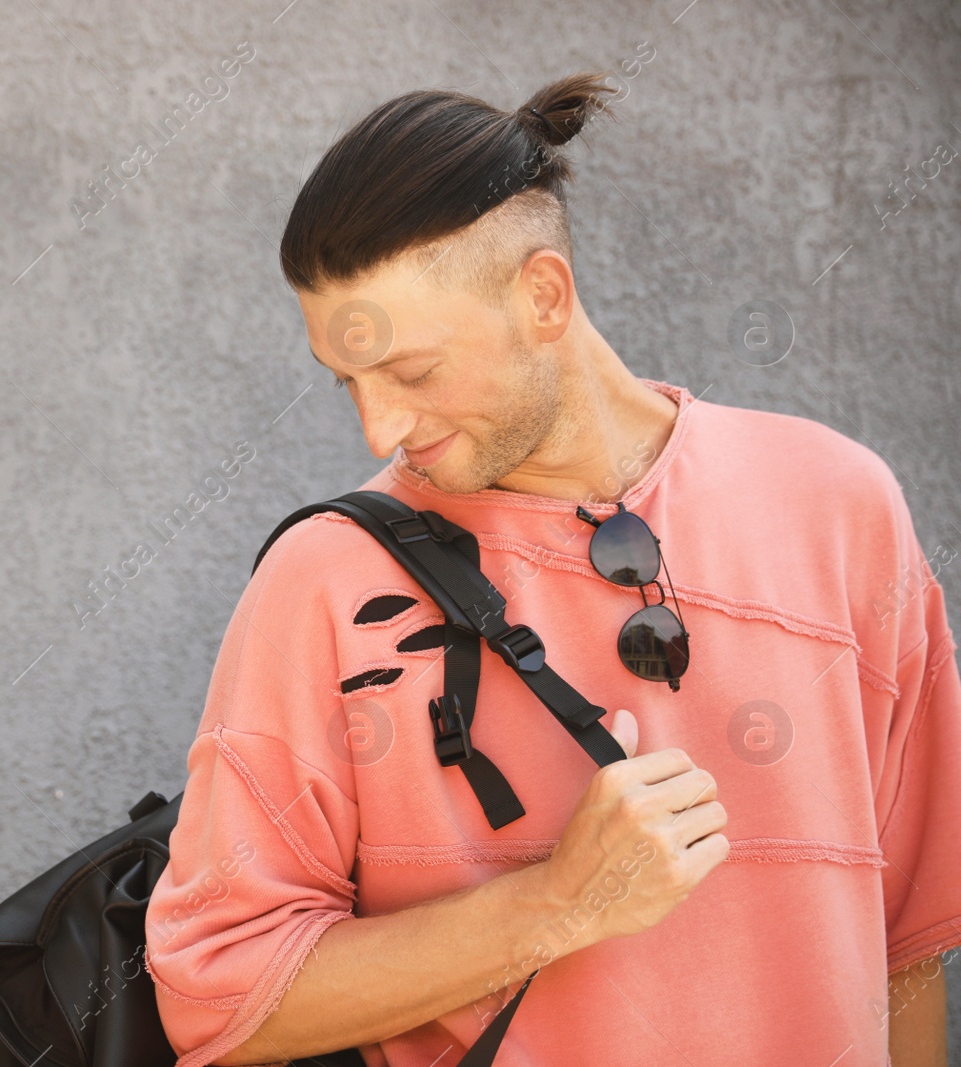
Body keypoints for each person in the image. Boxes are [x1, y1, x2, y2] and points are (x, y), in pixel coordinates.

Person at [142, 71, 960, 1067]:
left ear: (542, 295)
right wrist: (553, 904)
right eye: (346, 380)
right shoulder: (324, 578)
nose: (378, 424)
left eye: (411, 371)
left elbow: (909, 939)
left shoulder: (841, 507)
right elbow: (218, 997)